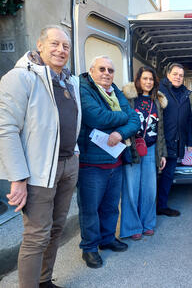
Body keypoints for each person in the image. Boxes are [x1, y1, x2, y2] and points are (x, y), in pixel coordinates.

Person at [0, 25, 81, 288]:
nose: (60, 50)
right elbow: (6, 128)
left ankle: (45, 281)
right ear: (40, 45)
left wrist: (75, 155)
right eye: (54, 44)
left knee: (56, 229)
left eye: (65, 46)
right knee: (36, 236)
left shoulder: (70, 81)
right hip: (37, 172)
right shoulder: (20, 78)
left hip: (68, 165)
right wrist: (18, 178)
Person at [77, 56, 140, 269]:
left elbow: (135, 120)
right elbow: (95, 117)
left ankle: (107, 239)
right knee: (90, 208)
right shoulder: (84, 88)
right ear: (92, 70)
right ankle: (90, 248)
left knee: (112, 206)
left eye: (110, 70)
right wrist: (123, 118)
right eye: (102, 69)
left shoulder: (115, 91)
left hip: (115, 160)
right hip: (91, 164)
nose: (106, 73)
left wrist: (121, 133)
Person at [120, 66, 168, 240]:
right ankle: (132, 227)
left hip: (152, 149)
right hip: (132, 148)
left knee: (149, 189)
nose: (148, 82)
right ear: (138, 80)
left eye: (151, 79)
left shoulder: (158, 101)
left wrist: (162, 153)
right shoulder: (129, 99)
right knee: (131, 189)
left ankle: (147, 223)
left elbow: (160, 130)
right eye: (144, 78)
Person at [157, 63, 192, 217]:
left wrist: (190, 142)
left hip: (176, 141)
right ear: (168, 75)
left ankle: (161, 206)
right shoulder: (160, 90)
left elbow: (188, 119)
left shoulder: (185, 94)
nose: (178, 77)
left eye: (181, 75)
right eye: (175, 74)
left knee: (167, 175)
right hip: (160, 141)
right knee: (155, 176)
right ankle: (149, 208)